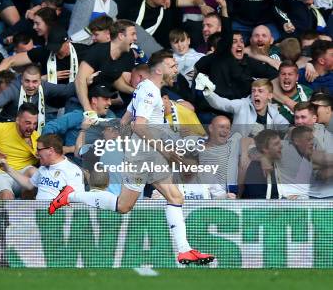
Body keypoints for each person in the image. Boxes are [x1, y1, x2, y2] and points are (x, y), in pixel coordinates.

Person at [50, 50, 215, 265]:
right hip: (143, 156)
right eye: (172, 66)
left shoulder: (145, 89)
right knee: (131, 205)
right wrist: (162, 149)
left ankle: (184, 250)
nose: (176, 70)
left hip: (146, 154)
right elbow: (139, 125)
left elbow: (127, 119)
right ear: (159, 69)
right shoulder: (149, 91)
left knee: (162, 199)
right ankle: (70, 195)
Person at [0, 134, 84, 200]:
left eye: (39, 149)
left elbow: (77, 198)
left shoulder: (72, 170)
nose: (36, 153)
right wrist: (7, 169)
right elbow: (29, 184)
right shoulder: (43, 168)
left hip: (58, 217)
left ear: (50, 150)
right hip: (39, 215)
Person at [0, 103, 40, 200]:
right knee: (7, 195)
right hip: (0, 173)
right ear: (18, 120)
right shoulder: (0, 129)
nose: (32, 127)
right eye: (28, 123)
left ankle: (26, 211)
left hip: (21, 176)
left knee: (34, 172)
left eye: (35, 123)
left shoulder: (36, 138)